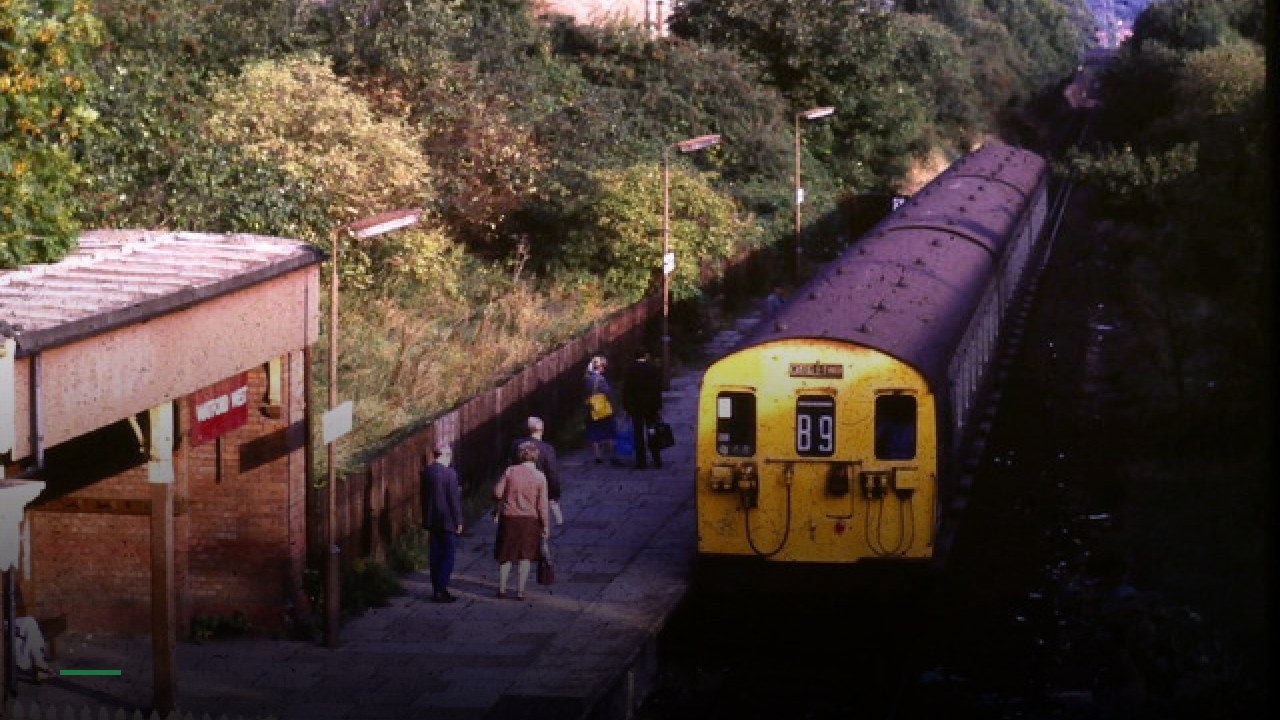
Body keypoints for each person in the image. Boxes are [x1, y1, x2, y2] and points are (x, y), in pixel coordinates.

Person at [493, 441, 550, 601]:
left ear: (519, 455)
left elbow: (497, 493)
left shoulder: (510, 471)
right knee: (525, 556)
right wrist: (545, 525)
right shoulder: (540, 477)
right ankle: (520, 591)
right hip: (529, 520)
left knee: (506, 554)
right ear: (535, 456)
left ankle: (502, 589)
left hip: (509, 518)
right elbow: (543, 505)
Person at [420, 440, 464, 603]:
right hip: (447, 520)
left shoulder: (427, 472)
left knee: (435, 555)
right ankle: (441, 588)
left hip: (432, 519)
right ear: (446, 455)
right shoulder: (450, 474)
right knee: (448, 555)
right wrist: (458, 520)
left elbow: (424, 497)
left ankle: (436, 588)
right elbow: (454, 500)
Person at [512, 416, 564, 526]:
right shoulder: (547, 448)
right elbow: (552, 472)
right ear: (542, 430)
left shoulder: (516, 445)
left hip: (519, 484)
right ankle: (548, 532)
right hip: (540, 485)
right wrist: (555, 492)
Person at [622, 347, 664, 469]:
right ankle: (657, 459)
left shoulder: (630, 369)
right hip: (651, 408)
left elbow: (627, 390)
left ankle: (641, 462)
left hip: (636, 408)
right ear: (645, 355)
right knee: (652, 432)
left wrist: (627, 406)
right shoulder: (652, 368)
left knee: (638, 434)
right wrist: (658, 406)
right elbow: (657, 388)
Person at [583, 355, 620, 464]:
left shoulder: (587, 379)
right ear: (601, 367)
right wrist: (614, 405)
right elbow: (608, 393)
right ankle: (613, 455)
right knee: (610, 431)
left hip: (592, 409)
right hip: (603, 409)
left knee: (593, 432)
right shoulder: (601, 380)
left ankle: (597, 455)